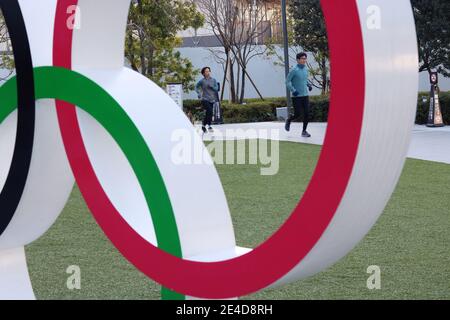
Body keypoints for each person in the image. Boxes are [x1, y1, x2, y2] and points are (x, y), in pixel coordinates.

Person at [285, 52, 313, 138]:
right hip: (297, 96)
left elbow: (304, 79)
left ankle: (304, 131)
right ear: (298, 60)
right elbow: (287, 82)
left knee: (307, 113)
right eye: (302, 58)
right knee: (298, 114)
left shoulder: (305, 69)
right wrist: (293, 90)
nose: (304, 60)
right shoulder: (294, 70)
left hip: (305, 95)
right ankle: (289, 120)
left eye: (305, 58)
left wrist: (309, 85)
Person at [195, 67, 219, 133]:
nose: (208, 72)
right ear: (203, 73)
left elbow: (217, 89)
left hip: (212, 99)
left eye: (208, 71)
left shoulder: (213, 80)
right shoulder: (202, 81)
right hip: (204, 99)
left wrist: (212, 87)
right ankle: (208, 126)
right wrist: (199, 93)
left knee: (209, 113)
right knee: (209, 110)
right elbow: (196, 87)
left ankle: (204, 125)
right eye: (206, 71)